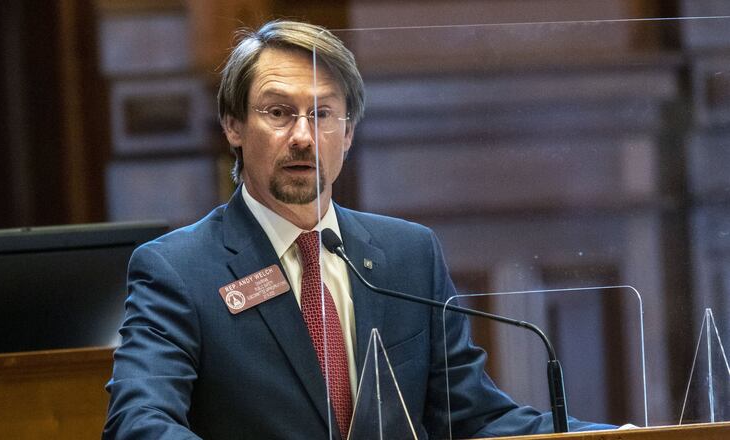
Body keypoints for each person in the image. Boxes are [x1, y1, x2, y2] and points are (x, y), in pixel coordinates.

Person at [103, 20, 614, 439]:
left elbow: (474, 417)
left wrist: (621, 437)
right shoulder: (178, 269)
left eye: (322, 113)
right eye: (278, 112)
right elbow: (140, 423)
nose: (303, 136)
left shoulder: (408, 254)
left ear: (347, 133)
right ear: (233, 125)